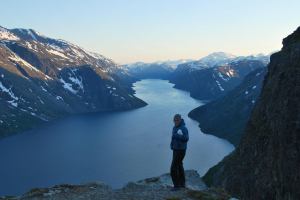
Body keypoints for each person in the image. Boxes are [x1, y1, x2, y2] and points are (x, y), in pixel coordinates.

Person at [170, 114, 189, 191]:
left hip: (180, 150)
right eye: (175, 120)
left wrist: (177, 135)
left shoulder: (183, 128)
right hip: (176, 149)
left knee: (173, 168)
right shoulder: (175, 127)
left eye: (177, 120)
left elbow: (186, 138)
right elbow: (173, 138)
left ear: (180, 120)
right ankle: (182, 184)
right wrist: (172, 145)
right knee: (179, 166)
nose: (176, 121)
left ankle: (177, 186)